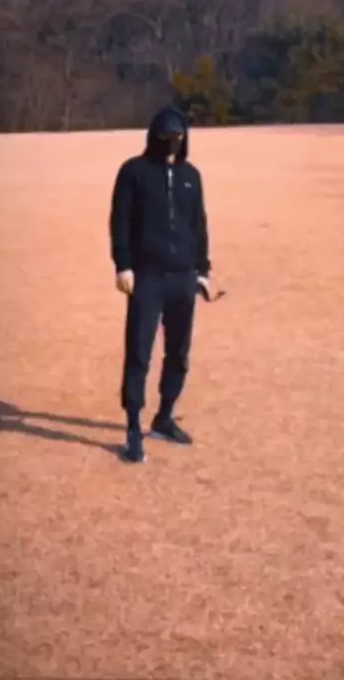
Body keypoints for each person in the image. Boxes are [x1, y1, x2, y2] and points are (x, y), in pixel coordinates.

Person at [109, 105, 211, 463]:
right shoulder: (133, 172)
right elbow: (119, 220)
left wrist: (202, 270)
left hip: (183, 277)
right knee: (139, 352)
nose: (172, 142)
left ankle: (164, 417)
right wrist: (123, 265)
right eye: (166, 136)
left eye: (178, 136)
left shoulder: (191, 176)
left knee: (178, 352)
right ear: (154, 136)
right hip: (147, 277)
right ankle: (133, 428)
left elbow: (198, 224)